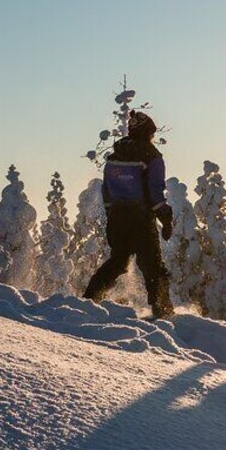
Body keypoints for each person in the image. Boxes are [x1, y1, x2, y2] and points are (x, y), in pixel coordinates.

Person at [84, 110, 175, 319]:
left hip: (117, 217)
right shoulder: (152, 157)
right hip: (141, 219)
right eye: (152, 133)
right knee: (153, 267)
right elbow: (155, 192)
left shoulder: (115, 156)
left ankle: (89, 299)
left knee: (117, 261)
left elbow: (106, 189)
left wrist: (112, 212)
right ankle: (163, 311)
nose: (153, 138)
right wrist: (166, 218)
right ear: (146, 133)